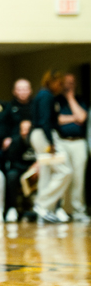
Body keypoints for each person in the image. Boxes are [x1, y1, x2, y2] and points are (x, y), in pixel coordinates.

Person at [30, 69, 73, 223]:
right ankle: (42, 203)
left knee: (47, 172)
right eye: (60, 83)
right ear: (52, 81)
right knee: (65, 171)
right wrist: (50, 143)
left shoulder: (43, 95)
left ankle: (44, 210)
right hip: (43, 136)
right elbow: (45, 121)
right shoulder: (46, 96)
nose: (61, 87)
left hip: (39, 135)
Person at [57, 72, 88, 223]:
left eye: (71, 82)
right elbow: (57, 120)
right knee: (64, 175)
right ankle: (63, 209)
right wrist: (74, 118)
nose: (68, 85)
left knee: (78, 177)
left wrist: (70, 98)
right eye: (66, 82)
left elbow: (82, 117)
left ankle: (78, 210)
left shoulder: (80, 99)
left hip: (78, 143)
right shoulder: (56, 100)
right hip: (61, 142)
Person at [2, 118, 37, 222]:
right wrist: (27, 169)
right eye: (23, 129)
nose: (25, 132)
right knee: (11, 175)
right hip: (20, 170)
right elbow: (12, 161)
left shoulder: (38, 140)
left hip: (37, 170)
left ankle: (46, 208)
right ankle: (12, 208)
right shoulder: (16, 141)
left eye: (28, 129)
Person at [1, 79, 33, 151]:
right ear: (14, 92)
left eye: (25, 89)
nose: (23, 92)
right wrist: (7, 138)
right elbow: (4, 124)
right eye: (19, 90)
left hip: (33, 139)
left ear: (30, 91)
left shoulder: (36, 105)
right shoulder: (9, 106)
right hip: (14, 140)